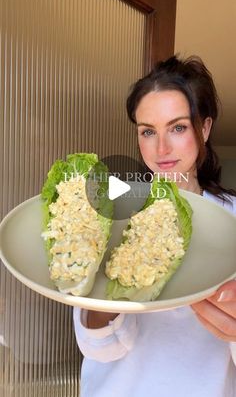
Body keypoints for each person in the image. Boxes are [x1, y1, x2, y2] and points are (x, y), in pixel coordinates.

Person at [73, 55, 236, 397]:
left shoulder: (232, 218)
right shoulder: (115, 206)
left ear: (204, 128)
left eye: (177, 127)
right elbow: (98, 348)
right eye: (148, 131)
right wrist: (103, 290)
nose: (161, 149)